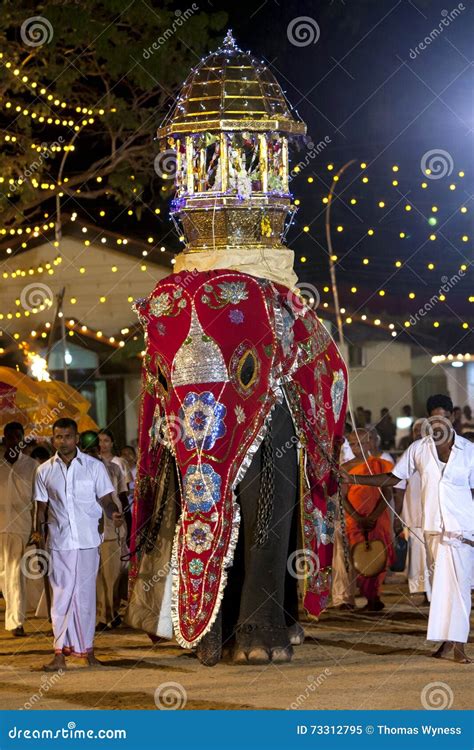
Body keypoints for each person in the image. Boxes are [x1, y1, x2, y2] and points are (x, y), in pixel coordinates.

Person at [341, 394, 474, 663]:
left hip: (462, 531)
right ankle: (446, 643)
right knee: (440, 588)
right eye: (434, 417)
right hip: (433, 528)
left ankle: (458, 645)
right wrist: (354, 477)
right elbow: (394, 478)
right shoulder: (419, 449)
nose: (440, 422)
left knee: (459, 588)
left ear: (453, 417)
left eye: (444, 416)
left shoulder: (469, 451)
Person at [32, 418, 122, 671]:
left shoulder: (93, 467)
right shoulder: (44, 471)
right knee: (61, 596)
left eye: (68, 436)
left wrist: (114, 512)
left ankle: (87, 651)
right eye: (58, 437)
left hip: (88, 541)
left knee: (85, 597)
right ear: (53, 439)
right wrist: (36, 535)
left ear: (77, 438)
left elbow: (105, 498)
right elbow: (40, 508)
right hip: (59, 541)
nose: (63, 441)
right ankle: (59, 653)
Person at [341, 429, 394, 612]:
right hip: (355, 520)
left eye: (362, 443)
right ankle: (368, 596)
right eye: (353, 444)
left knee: (380, 556)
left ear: (371, 443)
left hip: (378, 518)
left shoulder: (381, 465)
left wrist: (373, 516)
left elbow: (387, 493)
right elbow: (343, 497)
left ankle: (375, 596)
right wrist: (357, 517)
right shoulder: (345, 468)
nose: (357, 448)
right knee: (360, 556)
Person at [80, 432, 127, 631]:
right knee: (96, 577)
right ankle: (102, 616)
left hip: (112, 531)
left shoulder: (114, 469)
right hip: (88, 533)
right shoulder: (76, 471)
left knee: (112, 576)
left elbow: (123, 499)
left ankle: (111, 612)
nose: (92, 452)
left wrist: (126, 525)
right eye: (88, 449)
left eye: (94, 449)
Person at [0, 422, 37, 636]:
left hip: (21, 527)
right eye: (10, 437)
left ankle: (16, 621)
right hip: (1, 526)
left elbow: (38, 500)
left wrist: (37, 528)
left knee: (15, 574)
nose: (14, 441)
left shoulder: (32, 466)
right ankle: (13, 615)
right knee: (4, 575)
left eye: (18, 437)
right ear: (4, 440)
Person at [393, 419, 430, 601]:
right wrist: (397, 516)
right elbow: (398, 488)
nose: (418, 433)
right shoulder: (409, 456)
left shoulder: (441, 454)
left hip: (436, 517)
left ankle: (437, 595)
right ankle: (425, 594)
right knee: (419, 558)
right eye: (416, 430)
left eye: (422, 430)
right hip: (414, 517)